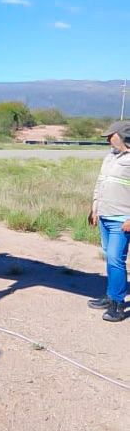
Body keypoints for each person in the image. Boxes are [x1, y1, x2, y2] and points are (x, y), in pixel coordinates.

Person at [87, 120, 130, 322]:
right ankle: (110, 295)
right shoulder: (109, 157)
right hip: (104, 215)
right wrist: (95, 208)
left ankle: (118, 304)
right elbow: (100, 183)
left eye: (111, 136)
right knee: (109, 257)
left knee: (115, 259)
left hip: (121, 219)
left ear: (122, 136)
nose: (108, 140)